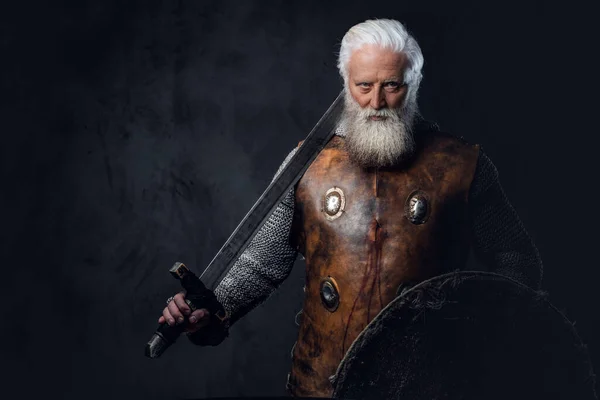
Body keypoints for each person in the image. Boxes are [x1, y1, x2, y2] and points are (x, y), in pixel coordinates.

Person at [158, 19, 543, 397]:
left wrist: (479, 328)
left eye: (392, 85)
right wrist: (214, 309)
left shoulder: (462, 165)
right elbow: (261, 265)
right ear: (345, 84)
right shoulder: (306, 164)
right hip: (322, 384)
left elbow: (516, 258)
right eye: (364, 86)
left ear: (413, 83)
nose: (376, 103)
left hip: (431, 381)